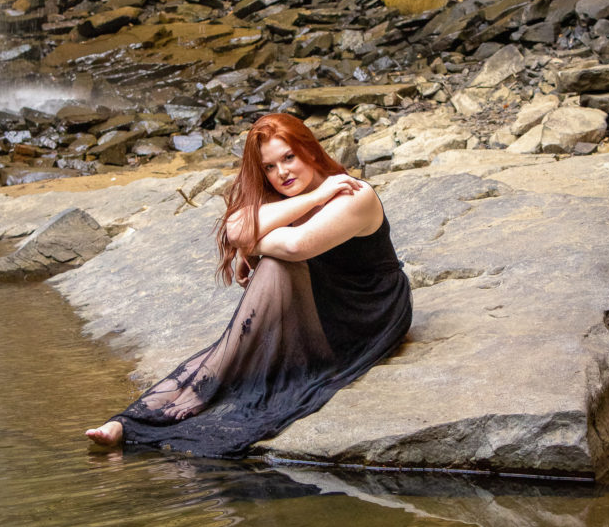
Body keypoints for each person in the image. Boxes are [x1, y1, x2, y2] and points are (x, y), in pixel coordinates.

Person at [86, 113, 412, 458]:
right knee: (260, 297)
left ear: (311, 152)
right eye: (270, 167)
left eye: (289, 158)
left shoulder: (353, 193)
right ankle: (129, 421)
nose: (282, 173)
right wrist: (311, 200)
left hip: (367, 315)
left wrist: (254, 244)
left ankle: (189, 402)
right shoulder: (295, 196)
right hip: (322, 303)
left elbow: (294, 246)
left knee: (274, 264)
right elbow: (236, 229)